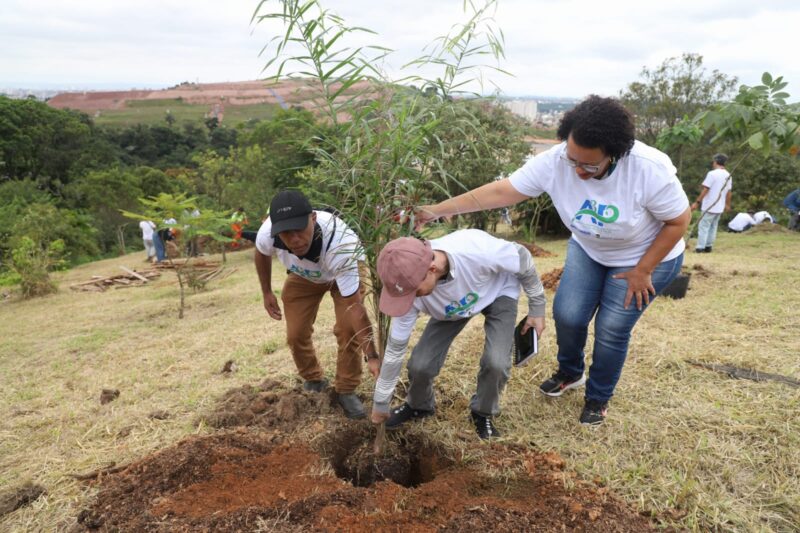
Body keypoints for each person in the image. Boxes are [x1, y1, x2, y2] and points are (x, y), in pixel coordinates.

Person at [414, 95, 690, 426]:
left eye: (590, 166)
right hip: (590, 248)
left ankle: (598, 397)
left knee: (611, 328)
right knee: (568, 314)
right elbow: (501, 192)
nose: (578, 171)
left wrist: (644, 270)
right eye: (573, 160)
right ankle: (571, 372)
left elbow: (678, 221)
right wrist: (435, 211)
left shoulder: (648, 168)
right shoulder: (555, 161)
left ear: (615, 154)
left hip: (646, 256)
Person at [370, 231, 546, 439]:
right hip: (451, 308)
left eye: (413, 292)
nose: (409, 299)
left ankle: (482, 412)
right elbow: (395, 351)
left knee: (496, 362)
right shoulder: (407, 289)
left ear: (432, 269)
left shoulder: (476, 250)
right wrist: (381, 402)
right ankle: (419, 405)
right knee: (420, 365)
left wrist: (537, 308)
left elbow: (522, 256)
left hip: (497, 291)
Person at [254, 190, 380, 419]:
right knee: (296, 333)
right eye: (286, 233)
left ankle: (346, 389)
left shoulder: (341, 244)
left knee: (347, 329)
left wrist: (371, 355)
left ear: (312, 218)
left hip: (343, 273)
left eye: (299, 229)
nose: (294, 239)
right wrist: (266, 292)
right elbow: (261, 252)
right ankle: (313, 378)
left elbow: (355, 308)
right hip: (304, 275)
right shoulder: (268, 233)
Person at [691, 154, 732, 253]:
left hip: (709, 205)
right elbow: (729, 192)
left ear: (716, 161)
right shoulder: (728, 175)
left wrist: (697, 202)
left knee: (703, 226)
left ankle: (700, 247)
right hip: (719, 206)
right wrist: (727, 204)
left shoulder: (712, 174)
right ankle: (708, 246)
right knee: (713, 227)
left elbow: (706, 189)